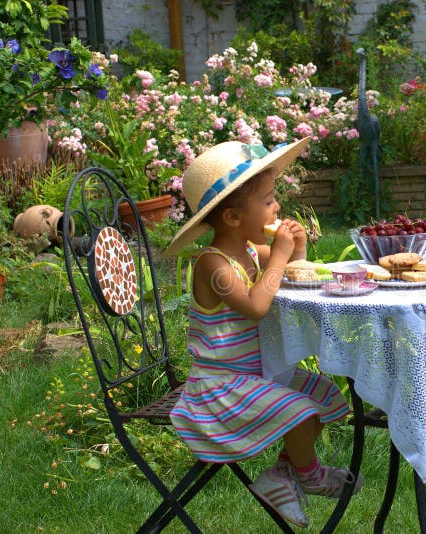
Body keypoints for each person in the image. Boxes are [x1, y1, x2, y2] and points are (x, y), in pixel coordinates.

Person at [162, 138, 360, 528]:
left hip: (254, 375)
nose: (277, 207)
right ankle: (307, 475)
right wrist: (281, 254)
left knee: (323, 394)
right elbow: (256, 306)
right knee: (302, 413)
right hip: (219, 388)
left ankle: (283, 474)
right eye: (268, 201)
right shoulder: (213, 265)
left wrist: (295, 249)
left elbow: (289, 272)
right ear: (233, 218)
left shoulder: (250, 251)